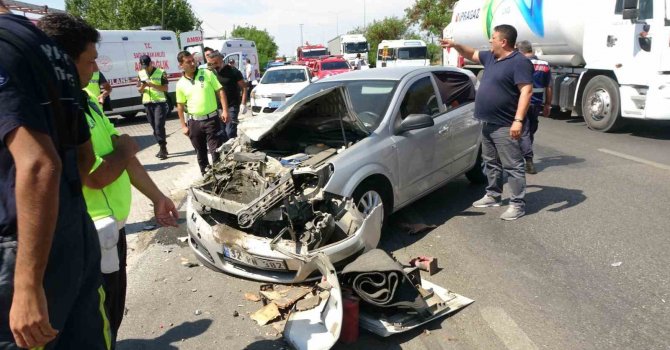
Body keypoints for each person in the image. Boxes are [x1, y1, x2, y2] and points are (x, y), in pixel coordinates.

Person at [39, 13, 179, 346]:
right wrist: (124, 149)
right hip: (87, 235)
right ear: (62, 62)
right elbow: (95, 176)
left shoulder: (86, 102)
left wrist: (157, 196)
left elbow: (127, 159)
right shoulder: (55, 111)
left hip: (110, 231)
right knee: (96, 323)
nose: (95, 67)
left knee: (111, 312)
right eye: (89, 60)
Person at [0, 5, 111, 350]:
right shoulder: (46, 46)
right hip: (71, 229)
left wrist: (28, 284)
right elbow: (83, 156)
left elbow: (37, 165)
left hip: (22, 245)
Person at [441, 24, 533, 221]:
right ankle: (493, 195)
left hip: (506, 124)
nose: (490, 41)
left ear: (503, 41)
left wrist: (518, 121)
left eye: (493, 37)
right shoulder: (491, 57)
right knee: (490, 162)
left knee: (513, 165)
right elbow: (471, 53)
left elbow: (526, 91)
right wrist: (455, 44)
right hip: (488, 123)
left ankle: (518, 204)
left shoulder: (519, 62)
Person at [176, 50, 229, 175]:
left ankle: (220, 178)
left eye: (193, 60)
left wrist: (225, 110)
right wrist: (183, 126)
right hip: (194, 123)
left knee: (216, 151)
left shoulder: (207, 74)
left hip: (212, 120)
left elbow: (220, 91)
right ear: (181, 65)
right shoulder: (180, 84)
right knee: (201, 154)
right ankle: (206, 178)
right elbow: (180, 106)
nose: (193, 63)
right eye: (188, 62)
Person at [516, 40, 552, 175]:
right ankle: (526, 156)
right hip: (536, 104)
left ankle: (528, 160)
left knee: (524, 132)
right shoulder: (544, 65)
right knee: (530, 131)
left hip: (521, 102)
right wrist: (548, 104)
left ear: (520, 51)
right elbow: (549, 87)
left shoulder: (519, 63)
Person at [206, 50, 247, 139]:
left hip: (232, 106)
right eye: (211, 63)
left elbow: (244, 87)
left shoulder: (233, 71)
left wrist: (243, 103)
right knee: (222, 133)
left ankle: (233, 147)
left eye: (215, 63)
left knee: (230, 132)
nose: (214, 65)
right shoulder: (211, 73)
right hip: (217, 107)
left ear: (221, 60)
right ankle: (227, 151)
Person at [137, 55, 170, 159]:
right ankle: (162, 147)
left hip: (159, 102)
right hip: (147, 103)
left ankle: (163, 148)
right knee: (154, 127)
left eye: (147, 66)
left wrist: (152, 85)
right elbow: (139, 90)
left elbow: (165, 88)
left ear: (151, 63)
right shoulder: (141, 73)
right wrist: (143, 86)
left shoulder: (161, 72)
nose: (145, 68)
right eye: (143, 66)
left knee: (159, 125)